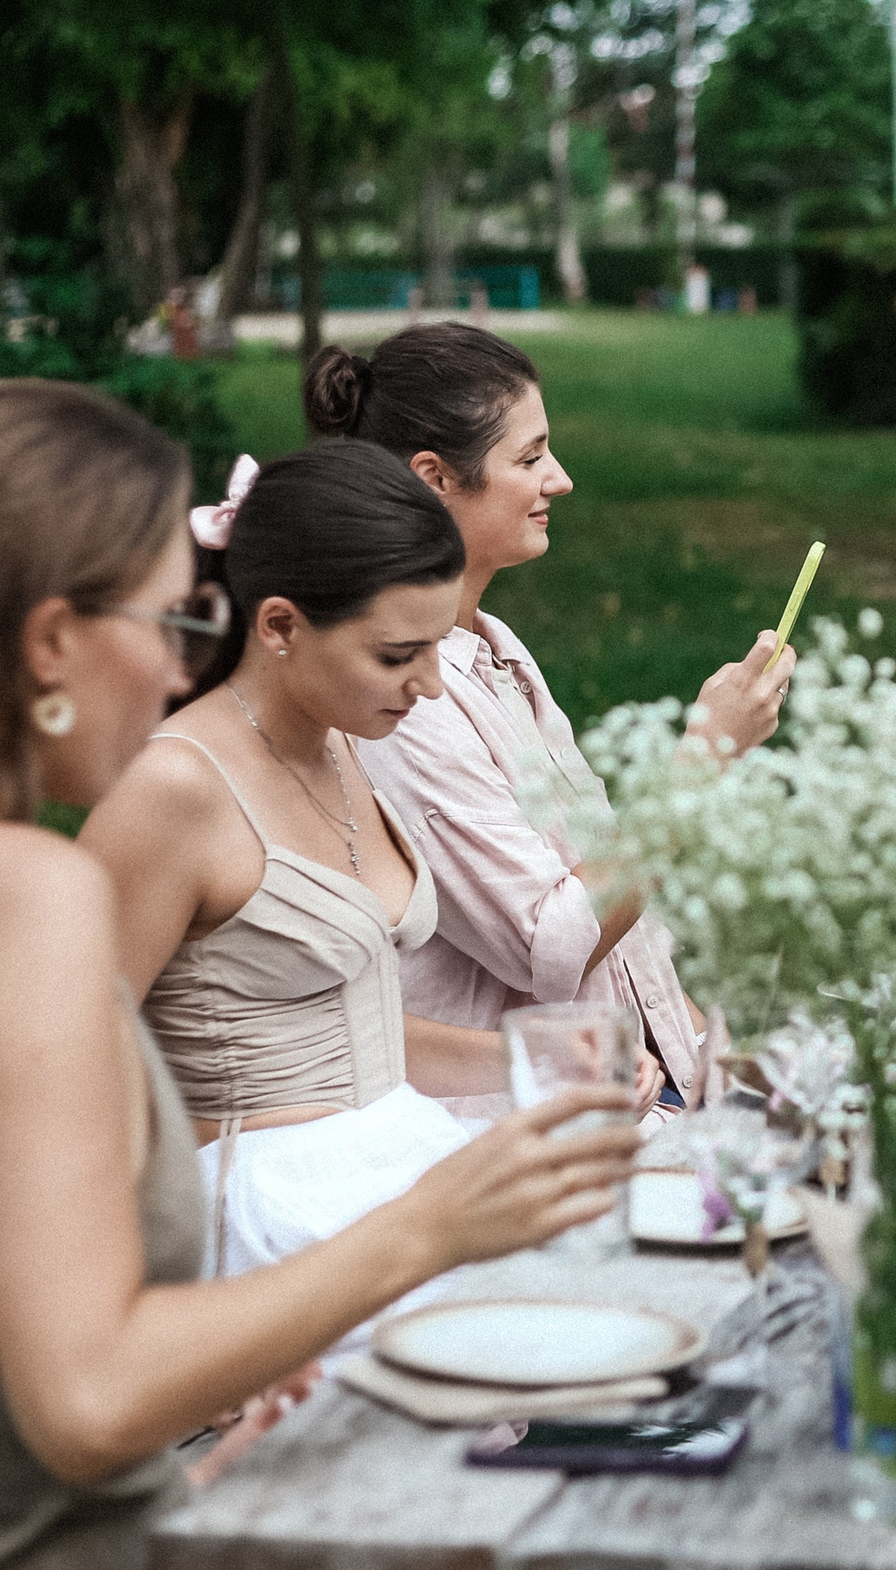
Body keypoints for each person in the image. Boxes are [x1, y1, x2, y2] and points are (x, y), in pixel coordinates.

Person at [0, 383, 639, 1568]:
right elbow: (85, 1400)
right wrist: (431, 1224)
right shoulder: (23, 895)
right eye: (175, 623)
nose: (184, 669)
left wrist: (198, 1449)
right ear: (50, 643)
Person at [79, 441, 624, 1294]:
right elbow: (68, 1060)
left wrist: (527, 1056)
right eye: (397, 655)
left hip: (392, 1166)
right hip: (266, 1226)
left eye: (436, 649)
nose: (432, 688)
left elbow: (347, 1031)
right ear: (281, 627)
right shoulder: (174, 791)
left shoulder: (343, 744)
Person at [304, 324, 790, 1125]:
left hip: (649, 1094)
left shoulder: (495, 648)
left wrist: (704, 1055)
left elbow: (609, 898)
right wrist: (703, 759)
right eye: (529, 459)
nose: (559, 480)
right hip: (529, 1134)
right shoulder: (402, 705)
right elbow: (553, 947)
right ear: (434, 480)